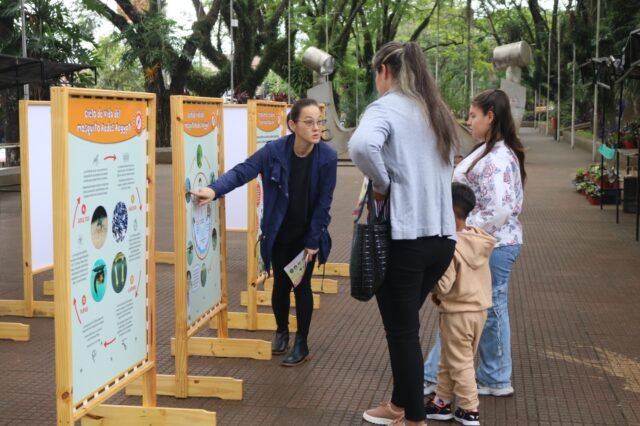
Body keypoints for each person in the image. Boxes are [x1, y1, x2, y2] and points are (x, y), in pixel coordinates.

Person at [349, 41, 459, 426]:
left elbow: (361, 145)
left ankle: (413, 418)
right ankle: (399, 403)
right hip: (442, 240)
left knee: (402, 332)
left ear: (384, 70)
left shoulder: (386, 108)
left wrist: (383, 183)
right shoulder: (437, 111)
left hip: (405, 238)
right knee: (405, 324)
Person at [192, 98, 338, 367]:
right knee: (280, 285)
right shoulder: (274, 151)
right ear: (292, 125)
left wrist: (313, 240)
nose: (316, 127)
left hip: (306, 235)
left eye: (319, 122)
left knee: (302, 286)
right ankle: (281, 332)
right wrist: (214, 190)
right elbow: (243, 171)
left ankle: (302, 343)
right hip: (278, 231)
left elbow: (324, 203)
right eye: (309, 122)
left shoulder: (327, 157)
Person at [423, 88, 526, 397]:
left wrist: (464, 229)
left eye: (473, 115)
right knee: (481, 307)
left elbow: (500, 208)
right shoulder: (489, 152)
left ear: (490, 117)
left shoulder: (497, 158)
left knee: (467, 306)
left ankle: (441, 374)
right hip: (491, 243)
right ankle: (491, 376)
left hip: (491, 244)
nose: (469, 121)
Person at [424, 183, 495, 426]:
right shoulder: (477, 238)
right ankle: (442, 401)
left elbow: (443, 286)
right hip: (479, 310)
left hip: (457, 313)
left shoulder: (450, 246)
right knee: (451, 357)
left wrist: (428, 278)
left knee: (461, 363)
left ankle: (469, 408)